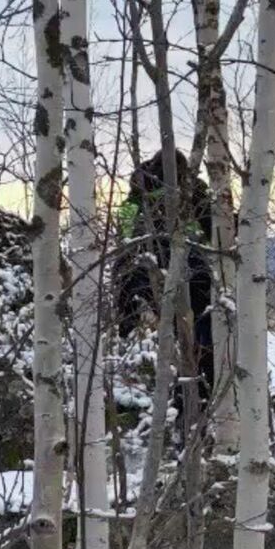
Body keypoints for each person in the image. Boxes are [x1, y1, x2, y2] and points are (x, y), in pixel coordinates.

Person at [115, 149, 217, 400]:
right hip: (194, 275)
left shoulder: (133, 203)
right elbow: (218, 231)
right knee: (203, 344)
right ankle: (197, 398)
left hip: (150, 278)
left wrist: (125, 317)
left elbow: (123, 249)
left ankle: (186, 399)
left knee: (180, 344)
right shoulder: (192, 195)